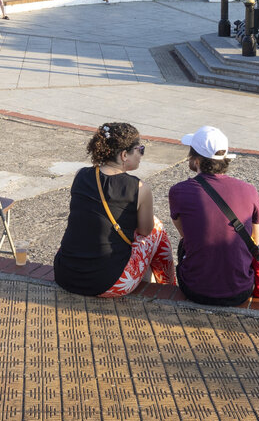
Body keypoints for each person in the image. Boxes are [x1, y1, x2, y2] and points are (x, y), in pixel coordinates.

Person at [53, 122, 174, 298]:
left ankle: (149, 278)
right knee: (156, 227)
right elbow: (145, 231)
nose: (141, 154)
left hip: (65, 275)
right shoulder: (140, 188)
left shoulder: (81, 175)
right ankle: (168, 287)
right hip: (109, 283)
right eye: (140, 149)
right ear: (125, 155)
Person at [168, 126, 259, 307]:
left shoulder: (179, 191)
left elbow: (185, 235)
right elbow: (255, 240)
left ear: (196, 160)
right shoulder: (249, 190)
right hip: (241, 290)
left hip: (194, 289)